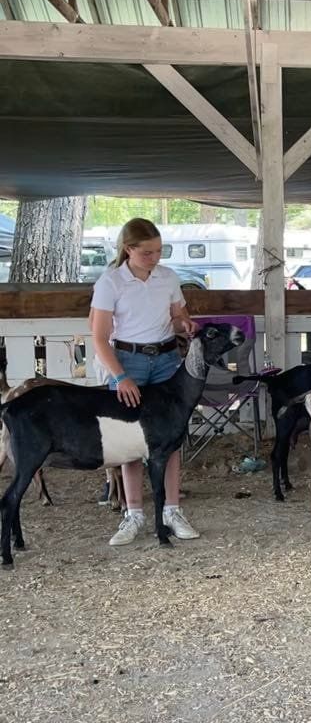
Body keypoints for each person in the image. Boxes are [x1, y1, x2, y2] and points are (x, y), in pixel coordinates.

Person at [91, 218, 200, 546]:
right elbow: (98, 337)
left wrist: (185, 324)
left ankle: (172, 509)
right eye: (148, 252)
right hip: (129, 359)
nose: (155, 258)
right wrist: (119, 376)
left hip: (167, 359)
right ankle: (133, 512)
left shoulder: (167, 277)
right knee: (130, 440)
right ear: (129, 249)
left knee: (170, 438)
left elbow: (178, 316)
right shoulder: (111, 281)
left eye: (158, 251)